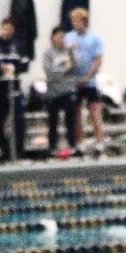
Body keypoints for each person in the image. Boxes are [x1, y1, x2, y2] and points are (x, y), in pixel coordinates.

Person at [64, 8, 107, 154]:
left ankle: (99, 141)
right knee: (76, 112)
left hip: (89, 81)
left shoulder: (94, 37)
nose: (75, 23)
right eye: (73, 21)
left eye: (77, 20)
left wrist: (88, 76)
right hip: (74, 81)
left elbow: (98, 59)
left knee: (95, 111)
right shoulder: (69, 37)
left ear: (84, 21)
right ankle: (80, 142)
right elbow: (66, 58)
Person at [0, 17, 32, 161]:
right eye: (3, 28)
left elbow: (25, 65)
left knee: (18, 120)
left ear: (13, 30)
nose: (5, 31)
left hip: (14, 87)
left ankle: (19, 150)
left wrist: (15, 68)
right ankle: (3, 150)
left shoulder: (19, 45)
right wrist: (0, 68)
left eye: (8, 29)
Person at [41, 28, 80, 158]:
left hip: (68, 90)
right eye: (58, 36)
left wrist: (72, 52)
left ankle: (73, 145)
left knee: (70, 121)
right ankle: (52, 147)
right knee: (53, 122)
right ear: (53, 37)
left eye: (63, 36)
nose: (61, 39)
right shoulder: (48, 54)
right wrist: (65, 68)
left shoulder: (68, 52)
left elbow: (75, 66)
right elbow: (50, 72)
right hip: (53, 92)